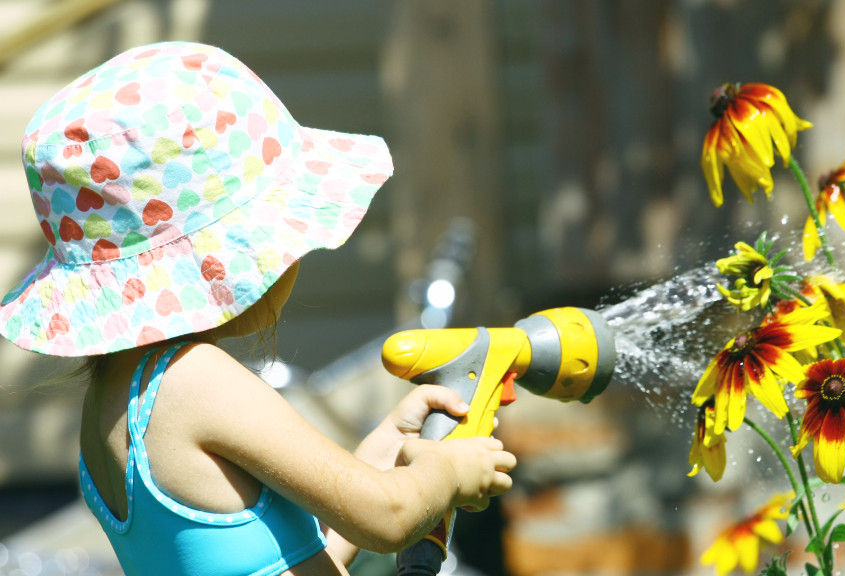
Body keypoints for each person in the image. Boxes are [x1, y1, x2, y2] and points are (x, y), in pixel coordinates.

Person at [0, 41, 516, 575]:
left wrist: (383, 452)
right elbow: (388, 517)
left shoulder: (116, 402)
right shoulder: (196, 379)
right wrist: (447, 473)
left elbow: (294, 560)